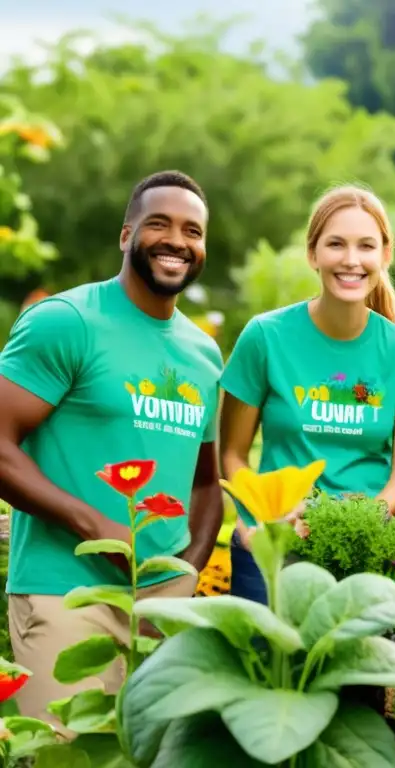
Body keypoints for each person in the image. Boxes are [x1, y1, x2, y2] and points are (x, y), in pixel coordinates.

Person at [0, 170, 224, 723]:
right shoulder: (67, 322)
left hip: (162, 608)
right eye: (159, 224)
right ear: (126, 236)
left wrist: (182, 576)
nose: (177, 240)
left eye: (192, 231)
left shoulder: (204, 355)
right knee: (63, 756)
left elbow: (203, 484)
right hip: (64, 594)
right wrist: (93, 525)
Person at [219, 185, 395, 603]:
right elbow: (232, 452)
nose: (351, 260)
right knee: (267, 668)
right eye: (336, 244)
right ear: (313, 253)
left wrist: (363, 521)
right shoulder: (265, 337)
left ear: (385, 256)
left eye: (366, 246)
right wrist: (256, 524)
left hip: (361, 556)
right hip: (272, 548)